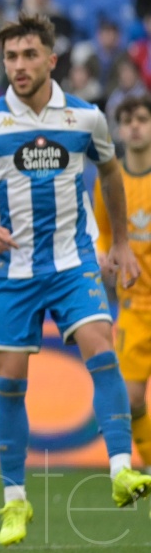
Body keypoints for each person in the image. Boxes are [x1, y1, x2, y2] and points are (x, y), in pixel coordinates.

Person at [0, 13, 151, 547]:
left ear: (51, 60)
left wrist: (120, 243)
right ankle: (15, 501)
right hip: (13, 271)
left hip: (71, 261)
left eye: (29, 55)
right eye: (11, 57)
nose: (19, 65)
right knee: (11, 382)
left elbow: (111, 174)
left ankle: (121, 468)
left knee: (101, 346)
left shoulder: (86, 118)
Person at [94, 95, 151, 469]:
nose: (135, 126)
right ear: (118, 129)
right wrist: (103, 254)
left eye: (142, 118)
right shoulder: (111, 181)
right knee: (131, 398)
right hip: (134, 306)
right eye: (128, 120)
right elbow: (102, 231)